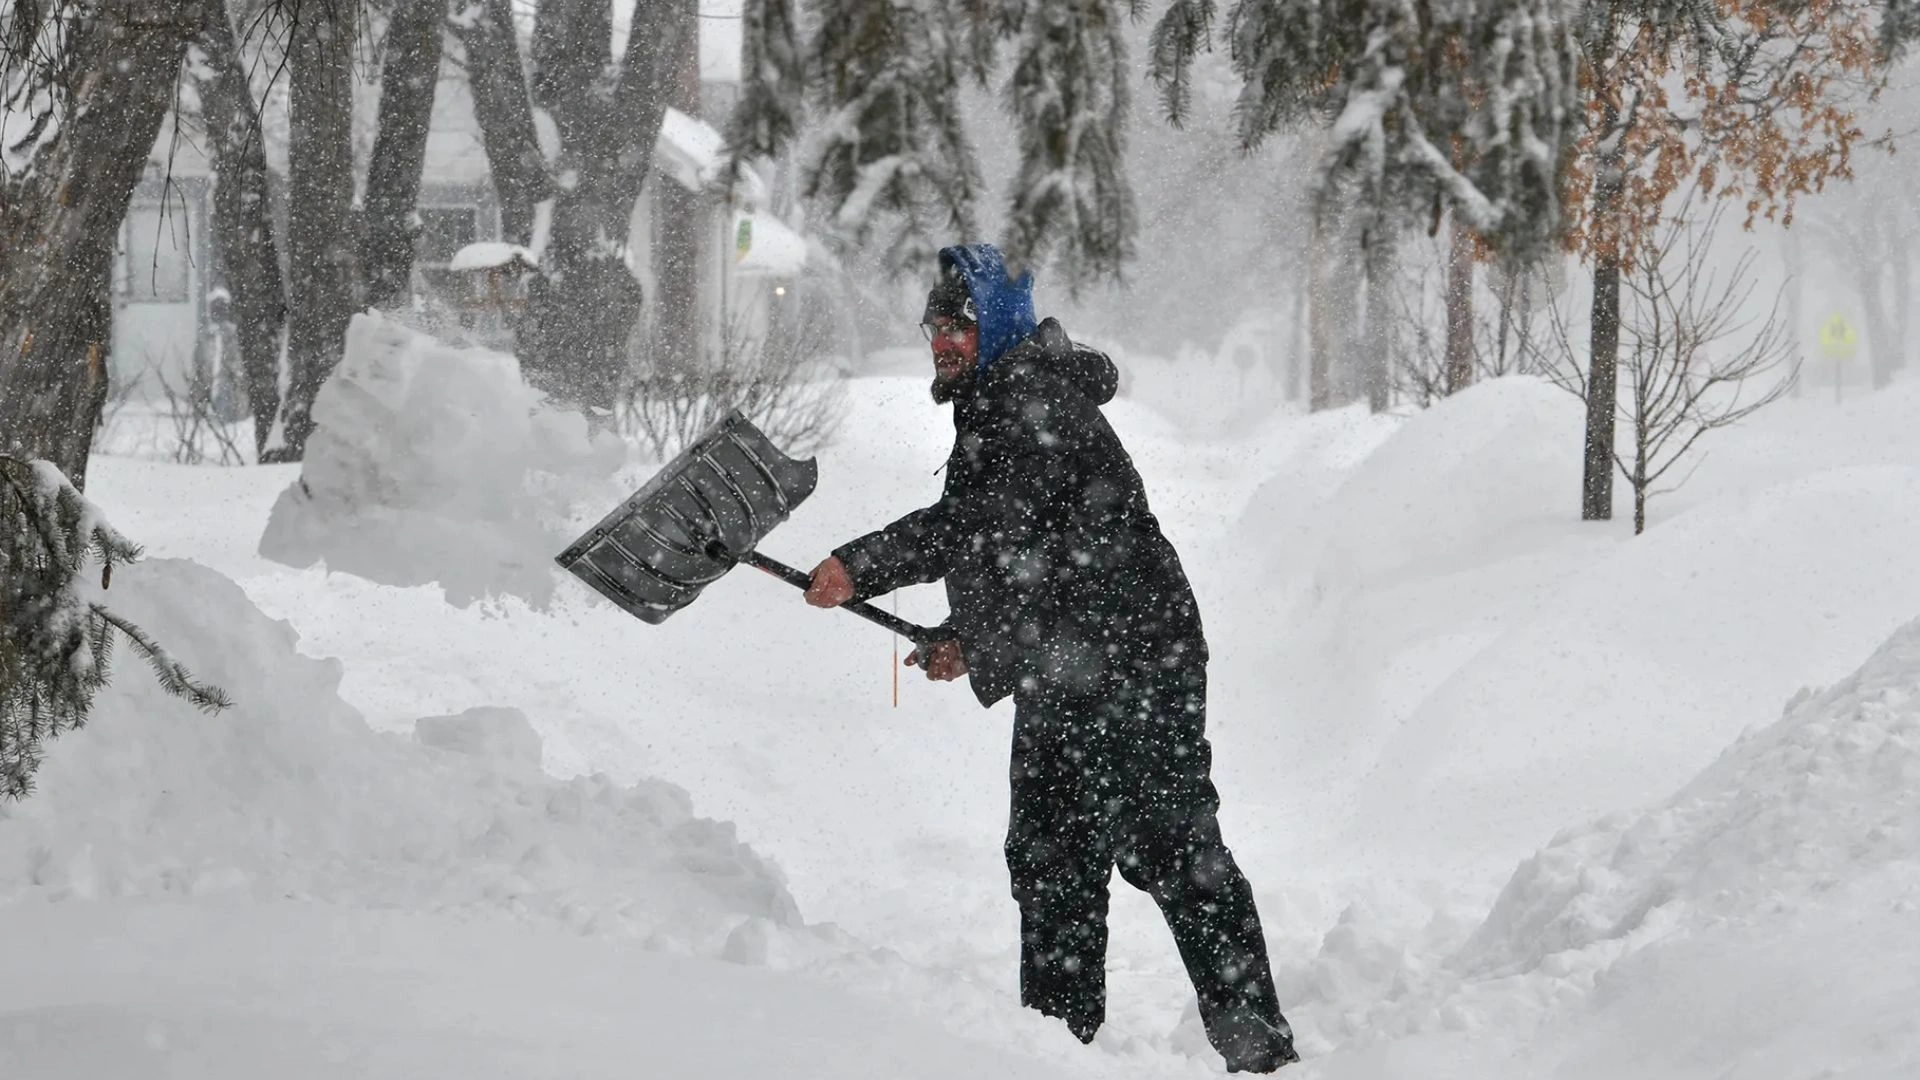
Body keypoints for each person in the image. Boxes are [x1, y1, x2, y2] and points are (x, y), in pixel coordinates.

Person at [804, 243, 1298, 1072]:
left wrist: (859, 565)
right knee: (1050, 860)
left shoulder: (1033, 402)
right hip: (1065, 663)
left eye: (957, 326)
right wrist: (973, 640)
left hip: (1137, 662)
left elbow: (974, 527)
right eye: (933, 328)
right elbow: (1027, 549)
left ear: (995, 328)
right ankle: (1053, 1056)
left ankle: (1261, 1054)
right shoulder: (999, 401)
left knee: (1172, 850)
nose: (941, 343)